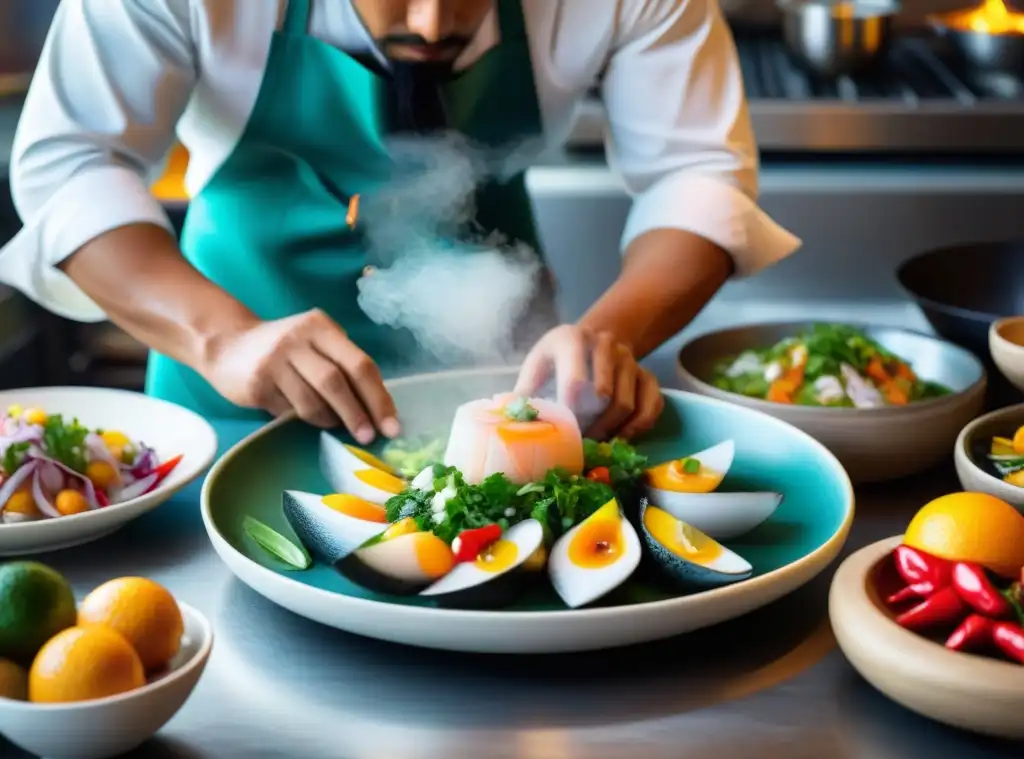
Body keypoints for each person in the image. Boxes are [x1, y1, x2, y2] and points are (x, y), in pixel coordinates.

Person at [0, 0, 799, 444]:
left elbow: (697, 175)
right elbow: (73, 164)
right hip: (228, 393)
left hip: (510, 387)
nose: (429, 21)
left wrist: (610, 336)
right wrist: (224, 339)